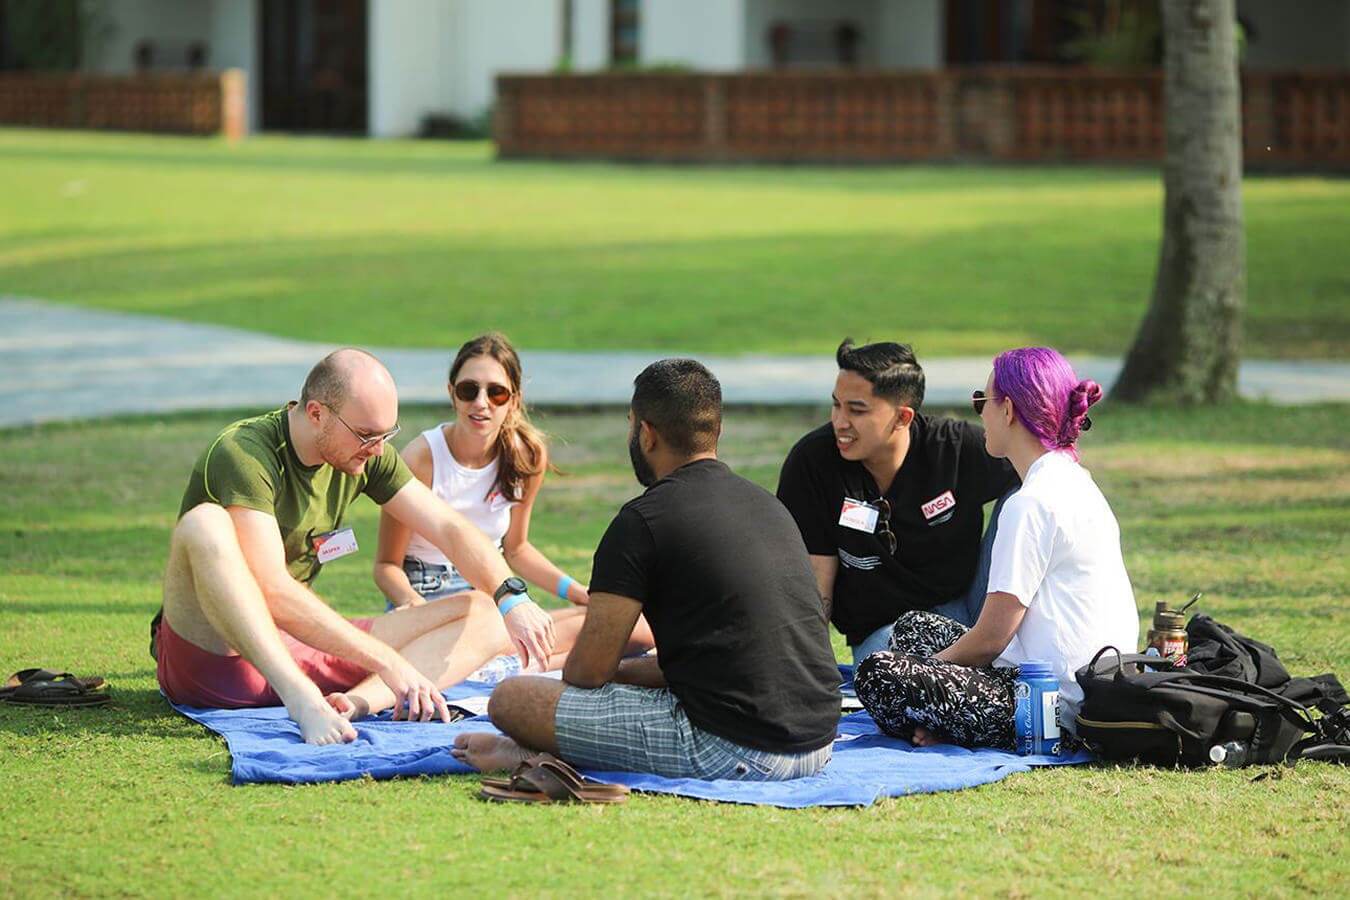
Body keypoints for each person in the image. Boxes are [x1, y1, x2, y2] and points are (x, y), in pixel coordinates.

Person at [452, 359, 841, 781]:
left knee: (512, 698)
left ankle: (527, 750)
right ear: (716, 432)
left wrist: (611, 675)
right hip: (819, 743)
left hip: (730, 748)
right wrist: (631, 673)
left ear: (647, 433)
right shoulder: (768, 506)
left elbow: (586, 673)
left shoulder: (642, 522)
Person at [152, 348, 558, 745]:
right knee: (204, 524)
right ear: (316, 414)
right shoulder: (244, 453)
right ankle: (303, 700)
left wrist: (511, 596)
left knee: (484, 610)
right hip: (216, 658)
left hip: (298, 647)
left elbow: (449, 526)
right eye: (367, 435)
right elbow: (271, 590)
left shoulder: (366, 450)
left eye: (387, 435)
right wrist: (387, 660)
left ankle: (360, 701)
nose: (379, 449)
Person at [854, 347, 1138, 750]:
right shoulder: (1073, 481)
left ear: (1007, 411)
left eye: (982, 401)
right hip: (1076, 687)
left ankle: (941, 724)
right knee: (912, 628)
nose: (980, 414)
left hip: (1048, 710)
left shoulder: (1031, 503)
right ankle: (939, 720)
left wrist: (924, 673)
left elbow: (991, 639)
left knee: (877, 671)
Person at [373, 333, 653, 674]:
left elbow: (517, 549)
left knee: (633, 627)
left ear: (514, 400)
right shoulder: (421, 458)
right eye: (468, 390)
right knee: (492, 622)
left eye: (496, 392)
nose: (481, 402)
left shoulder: (526, 456)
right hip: (433, 595)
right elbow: (386, 566)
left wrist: (576, 591)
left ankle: (512, 666)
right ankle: (519, 666)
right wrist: (412, 605)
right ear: (451, 394)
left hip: (496, 598)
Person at [776, 339, 1020, 667]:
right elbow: (815, 582)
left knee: (1026, 496)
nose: (840, 422)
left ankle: (1000, 649)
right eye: (837, 405)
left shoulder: (955, 448)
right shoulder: (812, 462)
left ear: (902, 417)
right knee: (890, 673)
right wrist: (808, 671)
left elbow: (1046, 472)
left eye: (856, 410)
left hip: (970, 609)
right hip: (885, 630)